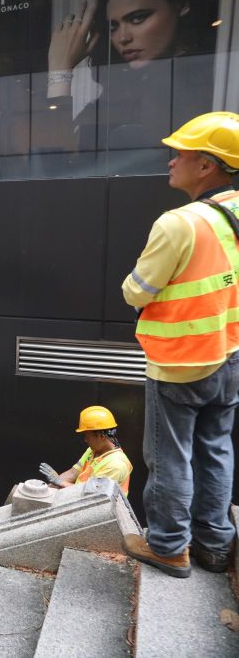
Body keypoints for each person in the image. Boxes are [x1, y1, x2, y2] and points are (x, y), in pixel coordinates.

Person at [121, 111, 239, 578]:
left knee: (170, 457)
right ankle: (215, 544)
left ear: (207, 164)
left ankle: (169, 546)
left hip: (182, 361)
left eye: (180, 154)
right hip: (230, 354)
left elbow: (137, 291)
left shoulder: (180, 223)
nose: (171, 161)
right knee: (216, 448)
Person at [43, 0, 216, 163]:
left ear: (181, 4)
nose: (123, 38)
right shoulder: (133, 86)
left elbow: (57, 166)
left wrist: (60, 72)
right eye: (113, 27)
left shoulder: (185, 83)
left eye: (138, 19)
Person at [39, 406, 133, 496]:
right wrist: (46, 490)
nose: (85, 440)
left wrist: (60, 482)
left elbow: (91, 495)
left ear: (101, 436)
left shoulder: (116, 465)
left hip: (96, 505)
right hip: (80, 500)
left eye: (87, 436)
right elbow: (72, 473)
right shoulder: (93, 450)